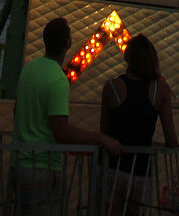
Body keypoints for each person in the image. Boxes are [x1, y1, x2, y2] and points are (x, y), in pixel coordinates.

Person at [12, 17, 121, 215]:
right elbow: (61, 131)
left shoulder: (29, 70)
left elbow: (16, 111)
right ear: (68, 43)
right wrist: (98, 137)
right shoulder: (58, 79)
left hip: (19, 164)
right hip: (44, 169)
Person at [101, 34, 178, 214]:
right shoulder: (160, 91)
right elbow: (172, 140)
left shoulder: (112, 87)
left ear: (128, 57)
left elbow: (103, 131)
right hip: (141, 171)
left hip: (113, 167)